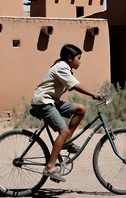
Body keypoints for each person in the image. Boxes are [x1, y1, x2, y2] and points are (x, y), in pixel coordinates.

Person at [31, 44, 104, 183]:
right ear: (70, 58)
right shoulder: (61, 67)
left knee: (80, 109)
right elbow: (74, 85)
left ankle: (66, 142)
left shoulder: (65, 67)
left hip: (53, 101)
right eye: (79, 58)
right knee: (63, 131)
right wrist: (93, 94)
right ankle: (50, 167)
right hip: (43, 102)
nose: (80, 61)